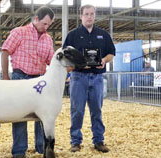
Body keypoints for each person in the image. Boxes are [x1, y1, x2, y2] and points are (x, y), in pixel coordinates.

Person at [1, 6, 55, 158]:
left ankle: (40, 148)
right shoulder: (19, 32)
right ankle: (19, 151)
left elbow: (51, 61)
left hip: (39, 80)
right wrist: (5, 76)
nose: (46, 27)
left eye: (48, 25)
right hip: (20, 78)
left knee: (42, 115)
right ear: (36, 19)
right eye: (44, 24)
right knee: (19, 115)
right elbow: (5, 51)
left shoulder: (48, 39)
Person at [63, 4, 115, 153]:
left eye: (92, 14)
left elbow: (111, 53)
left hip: (97, 77)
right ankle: (75, 141)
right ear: (81, 16)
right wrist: (78, 64)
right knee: (77, 110)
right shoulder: (73, 35)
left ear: (95, 16)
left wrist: (104, 60)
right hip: (78, 77)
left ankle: (98, 141)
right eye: (86, 14)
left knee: (97, 110)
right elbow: (66, 56)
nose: (89, 16)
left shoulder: (103, 35)